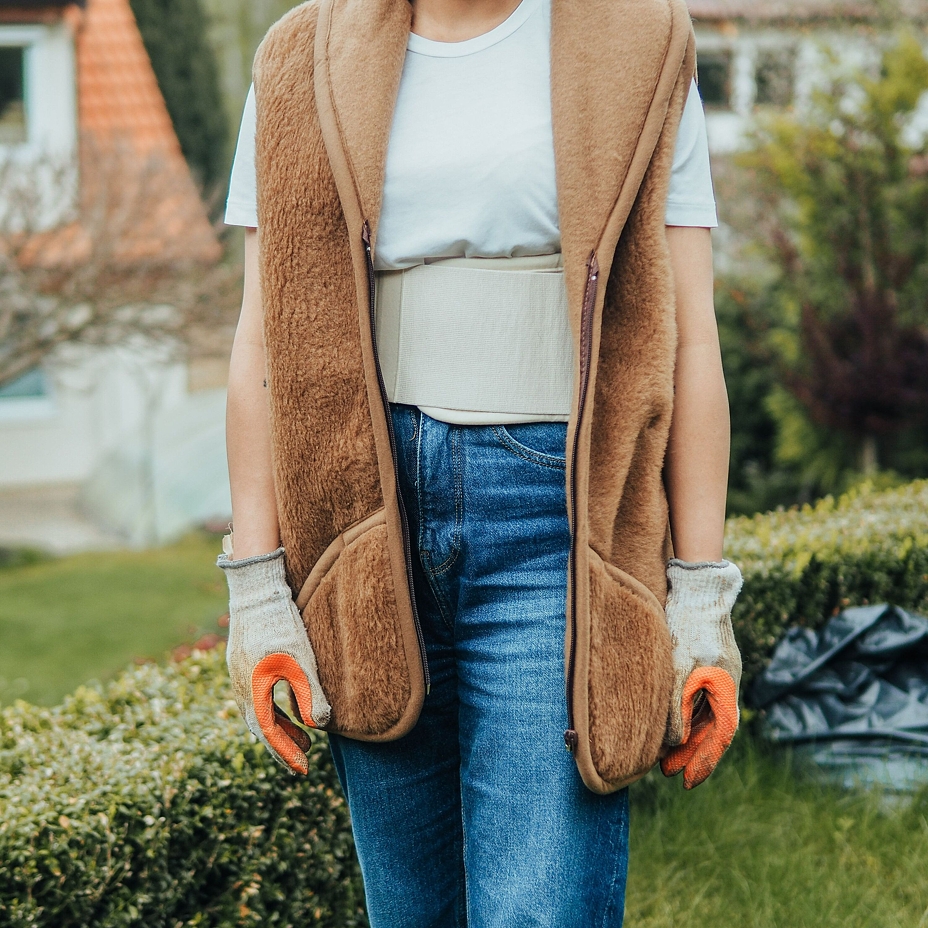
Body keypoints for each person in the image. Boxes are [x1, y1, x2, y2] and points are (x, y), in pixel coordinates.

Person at [216, 0, 745, 924]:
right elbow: (262, 339)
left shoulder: (640, 44)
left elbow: (690, 340)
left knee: (543, 908)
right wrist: (258, 590)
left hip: (556, 522)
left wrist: (702, 600)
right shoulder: (298, 58)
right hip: (361, 526)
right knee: (408, 912)